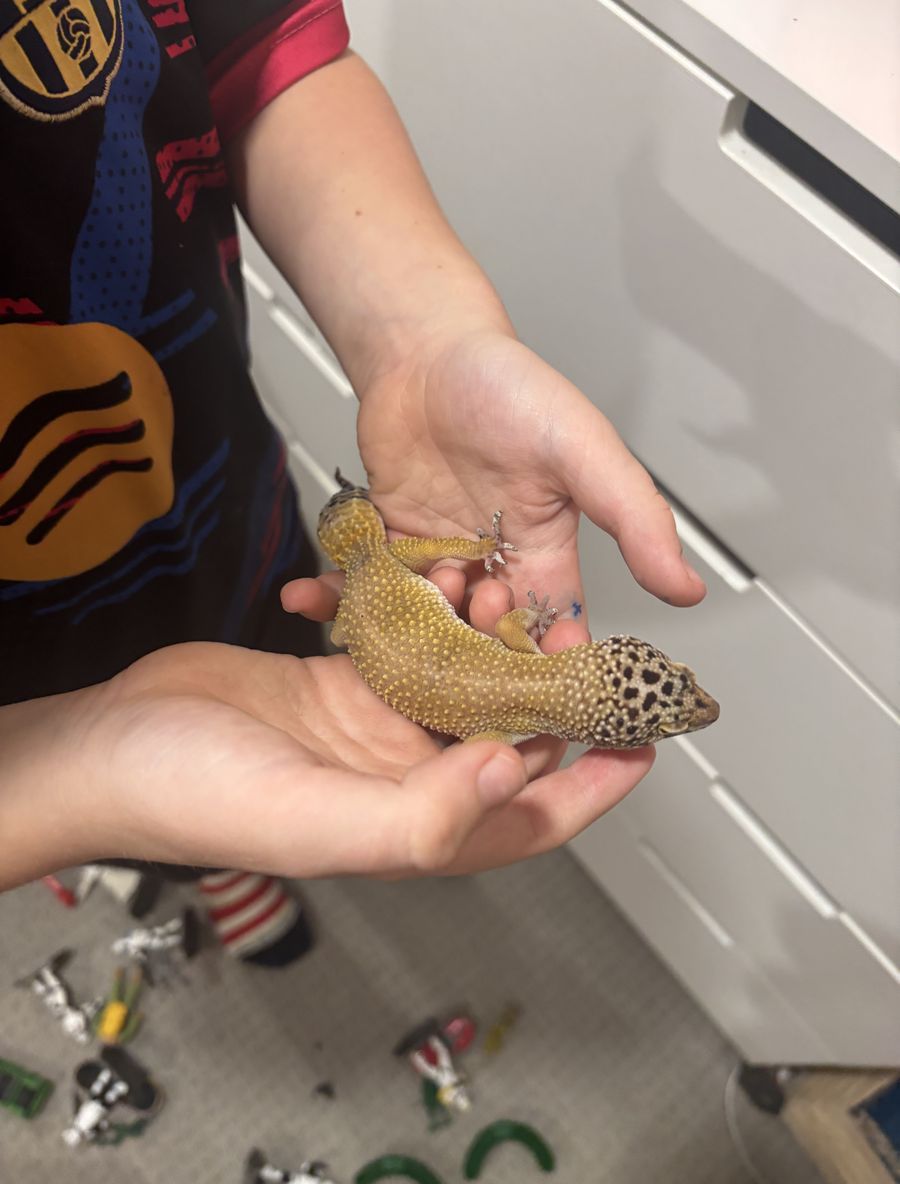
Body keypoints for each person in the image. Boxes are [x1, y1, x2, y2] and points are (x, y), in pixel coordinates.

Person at [0, 0, 705, 896]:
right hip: (35, 676)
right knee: (184, 808)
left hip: (232, 523)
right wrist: (65, 799)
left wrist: (425, 344)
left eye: (668, 690)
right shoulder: (511, 704)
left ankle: (203, 859)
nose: (691, 699)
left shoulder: (516, 683)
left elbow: (264, 48)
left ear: (603, 672)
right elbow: (493, 637)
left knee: (252, 700)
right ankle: (157, 857)